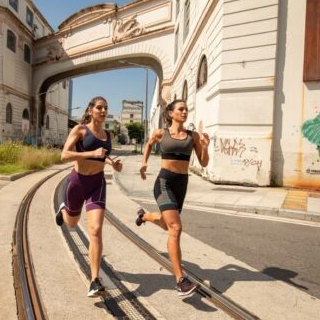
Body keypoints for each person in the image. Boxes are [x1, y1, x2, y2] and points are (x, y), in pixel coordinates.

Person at [137, 99, 210, 296]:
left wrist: (205, 146)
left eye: (186, 109)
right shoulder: (161, 133)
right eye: (181, 109)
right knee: (175, 228)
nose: (185, 112)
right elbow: (149, 144)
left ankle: (144, 216)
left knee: (167, 224)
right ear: (171, 113)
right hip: (164, 183)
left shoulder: (193, 136)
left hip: (181, 185)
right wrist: (144, 163)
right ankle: (180, 280)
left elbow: (203, 163)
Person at [56, 96, 123, 297]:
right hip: (77, 183)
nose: (103, 111)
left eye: (106, 108)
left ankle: (94, 280)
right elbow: (64, 155)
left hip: (97, 184)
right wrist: (90, 154)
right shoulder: (80, 130)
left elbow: (102, 154)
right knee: (71, 224)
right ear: (90, 110)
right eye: (99, 108)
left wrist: (113, 164)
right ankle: (63, 209)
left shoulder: (108, 135)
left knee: (95, 230)